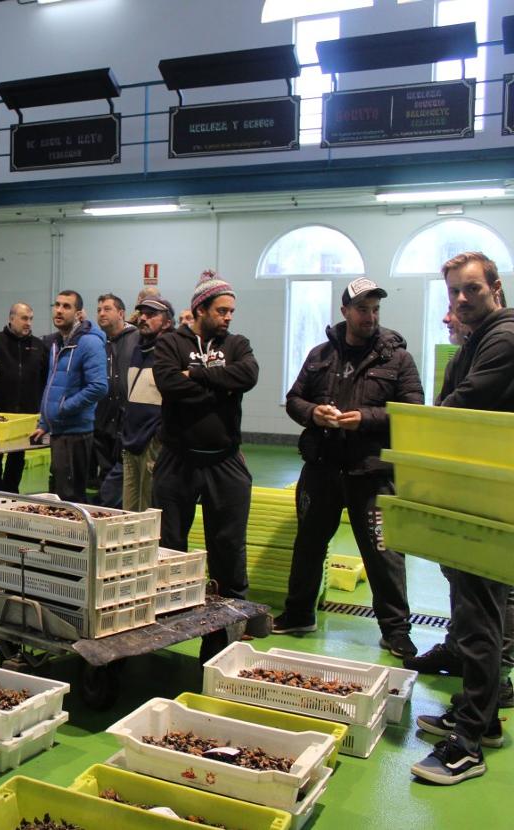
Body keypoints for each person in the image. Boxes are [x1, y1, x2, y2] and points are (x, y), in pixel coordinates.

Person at [274, 278, 423, 660]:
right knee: (308, 544)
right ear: (345, 312)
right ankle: (298, 614)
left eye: (375, 310)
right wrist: (313, 413)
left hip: (370, 473)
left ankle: (396, 631)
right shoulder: (320, 355)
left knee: (382, 552)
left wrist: (367, 419)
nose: (370, 316)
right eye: (362, 309)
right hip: (322, 468)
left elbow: (412, 412)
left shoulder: (398, 359)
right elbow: (294, 399)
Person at [412, 252, 514, 785]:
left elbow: (464, 403)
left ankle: (470, 742)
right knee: (470, 607)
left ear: (494, 287)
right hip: (472, 490)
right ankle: (485, 718)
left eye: (470, 289)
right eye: (453, 292)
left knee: (480, 614)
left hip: (492, 496)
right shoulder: (474, 342)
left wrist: (413, 430)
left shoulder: (505, 336)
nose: (459, 301)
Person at [152, 270, 258, 600]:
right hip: (177, 459)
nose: (228, 318)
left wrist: (196, 375)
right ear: (200, 309)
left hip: (224, 460)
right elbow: (169, 384)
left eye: (231, 312)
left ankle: (233, 612)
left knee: (228, 542)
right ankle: (169, 607)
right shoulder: (170, 342)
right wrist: (221, 386)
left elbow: (248, 375)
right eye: (221, 311)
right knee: (169, 541)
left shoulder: (237, 344)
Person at [30, 291, 108, 503]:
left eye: (66, 306)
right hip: (58, 431)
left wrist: (63, 408)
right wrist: (45, 422)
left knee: (72, 497)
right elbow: (53, 384)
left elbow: (99, 387)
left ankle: (75, 536)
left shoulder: (89, 343)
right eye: (57, 305)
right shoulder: (57, 343)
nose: (59, 310)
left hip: (76, 433)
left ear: (79, 313)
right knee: (60, 494)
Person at [0, 302, 47, 493]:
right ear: (11, 318)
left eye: (31, 319)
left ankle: (11, 496)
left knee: (17, 458)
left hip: (26, 415)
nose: (28, 323)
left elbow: (44, 379)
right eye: (24, 318)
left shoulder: (38, 346)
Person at [122, 297, 174, 512]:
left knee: (149, 510)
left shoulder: (170, 354)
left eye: (151, 314)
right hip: (130, 442)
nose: (143, 318)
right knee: (129, 510)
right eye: (142, 313)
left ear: (167, 323)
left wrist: (159, 434)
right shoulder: (138, 350)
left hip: (153, 444)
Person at [93, 293, 138, 507]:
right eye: (99, 309)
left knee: (123, 480)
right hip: (102, 422)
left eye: (107, 309)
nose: (101, 313)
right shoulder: (98, 342)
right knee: (106, 475)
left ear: (121, 313)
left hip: (127, 422)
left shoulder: (136, 338)